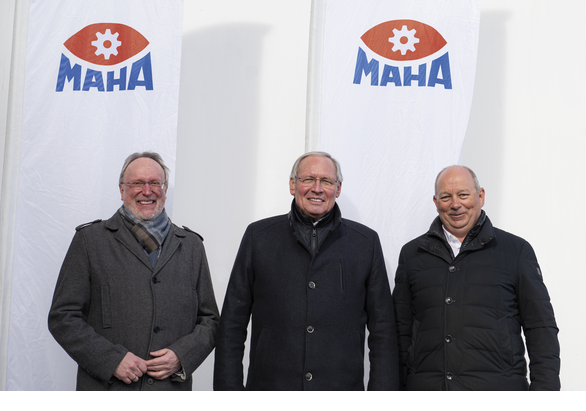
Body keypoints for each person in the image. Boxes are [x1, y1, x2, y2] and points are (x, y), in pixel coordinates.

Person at [213, 151, 399, 391]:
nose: (317, 189)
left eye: (327, 181)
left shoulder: (365, 243)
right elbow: (232, 325)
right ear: (293, 185)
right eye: (308, 179)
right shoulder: (258, 237)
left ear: (338, 188)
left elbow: (383, 332)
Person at [48, 151, 220, 391]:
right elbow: (63, 317)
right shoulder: (90, 241)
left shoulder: (192, 246)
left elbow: (210, 321)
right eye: (137, 183)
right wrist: (111, 360)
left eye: (155, 183)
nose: (147, 191)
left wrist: (181, 356)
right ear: (122, 190)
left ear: (165, 190)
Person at [392, 165, 560, 391]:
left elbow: (540, 327)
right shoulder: (412, 255)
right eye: (446, 197)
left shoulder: (516, 251)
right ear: (435, 202)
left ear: (480, 196)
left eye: (463, 195)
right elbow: (400, 332)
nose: (455, 204)